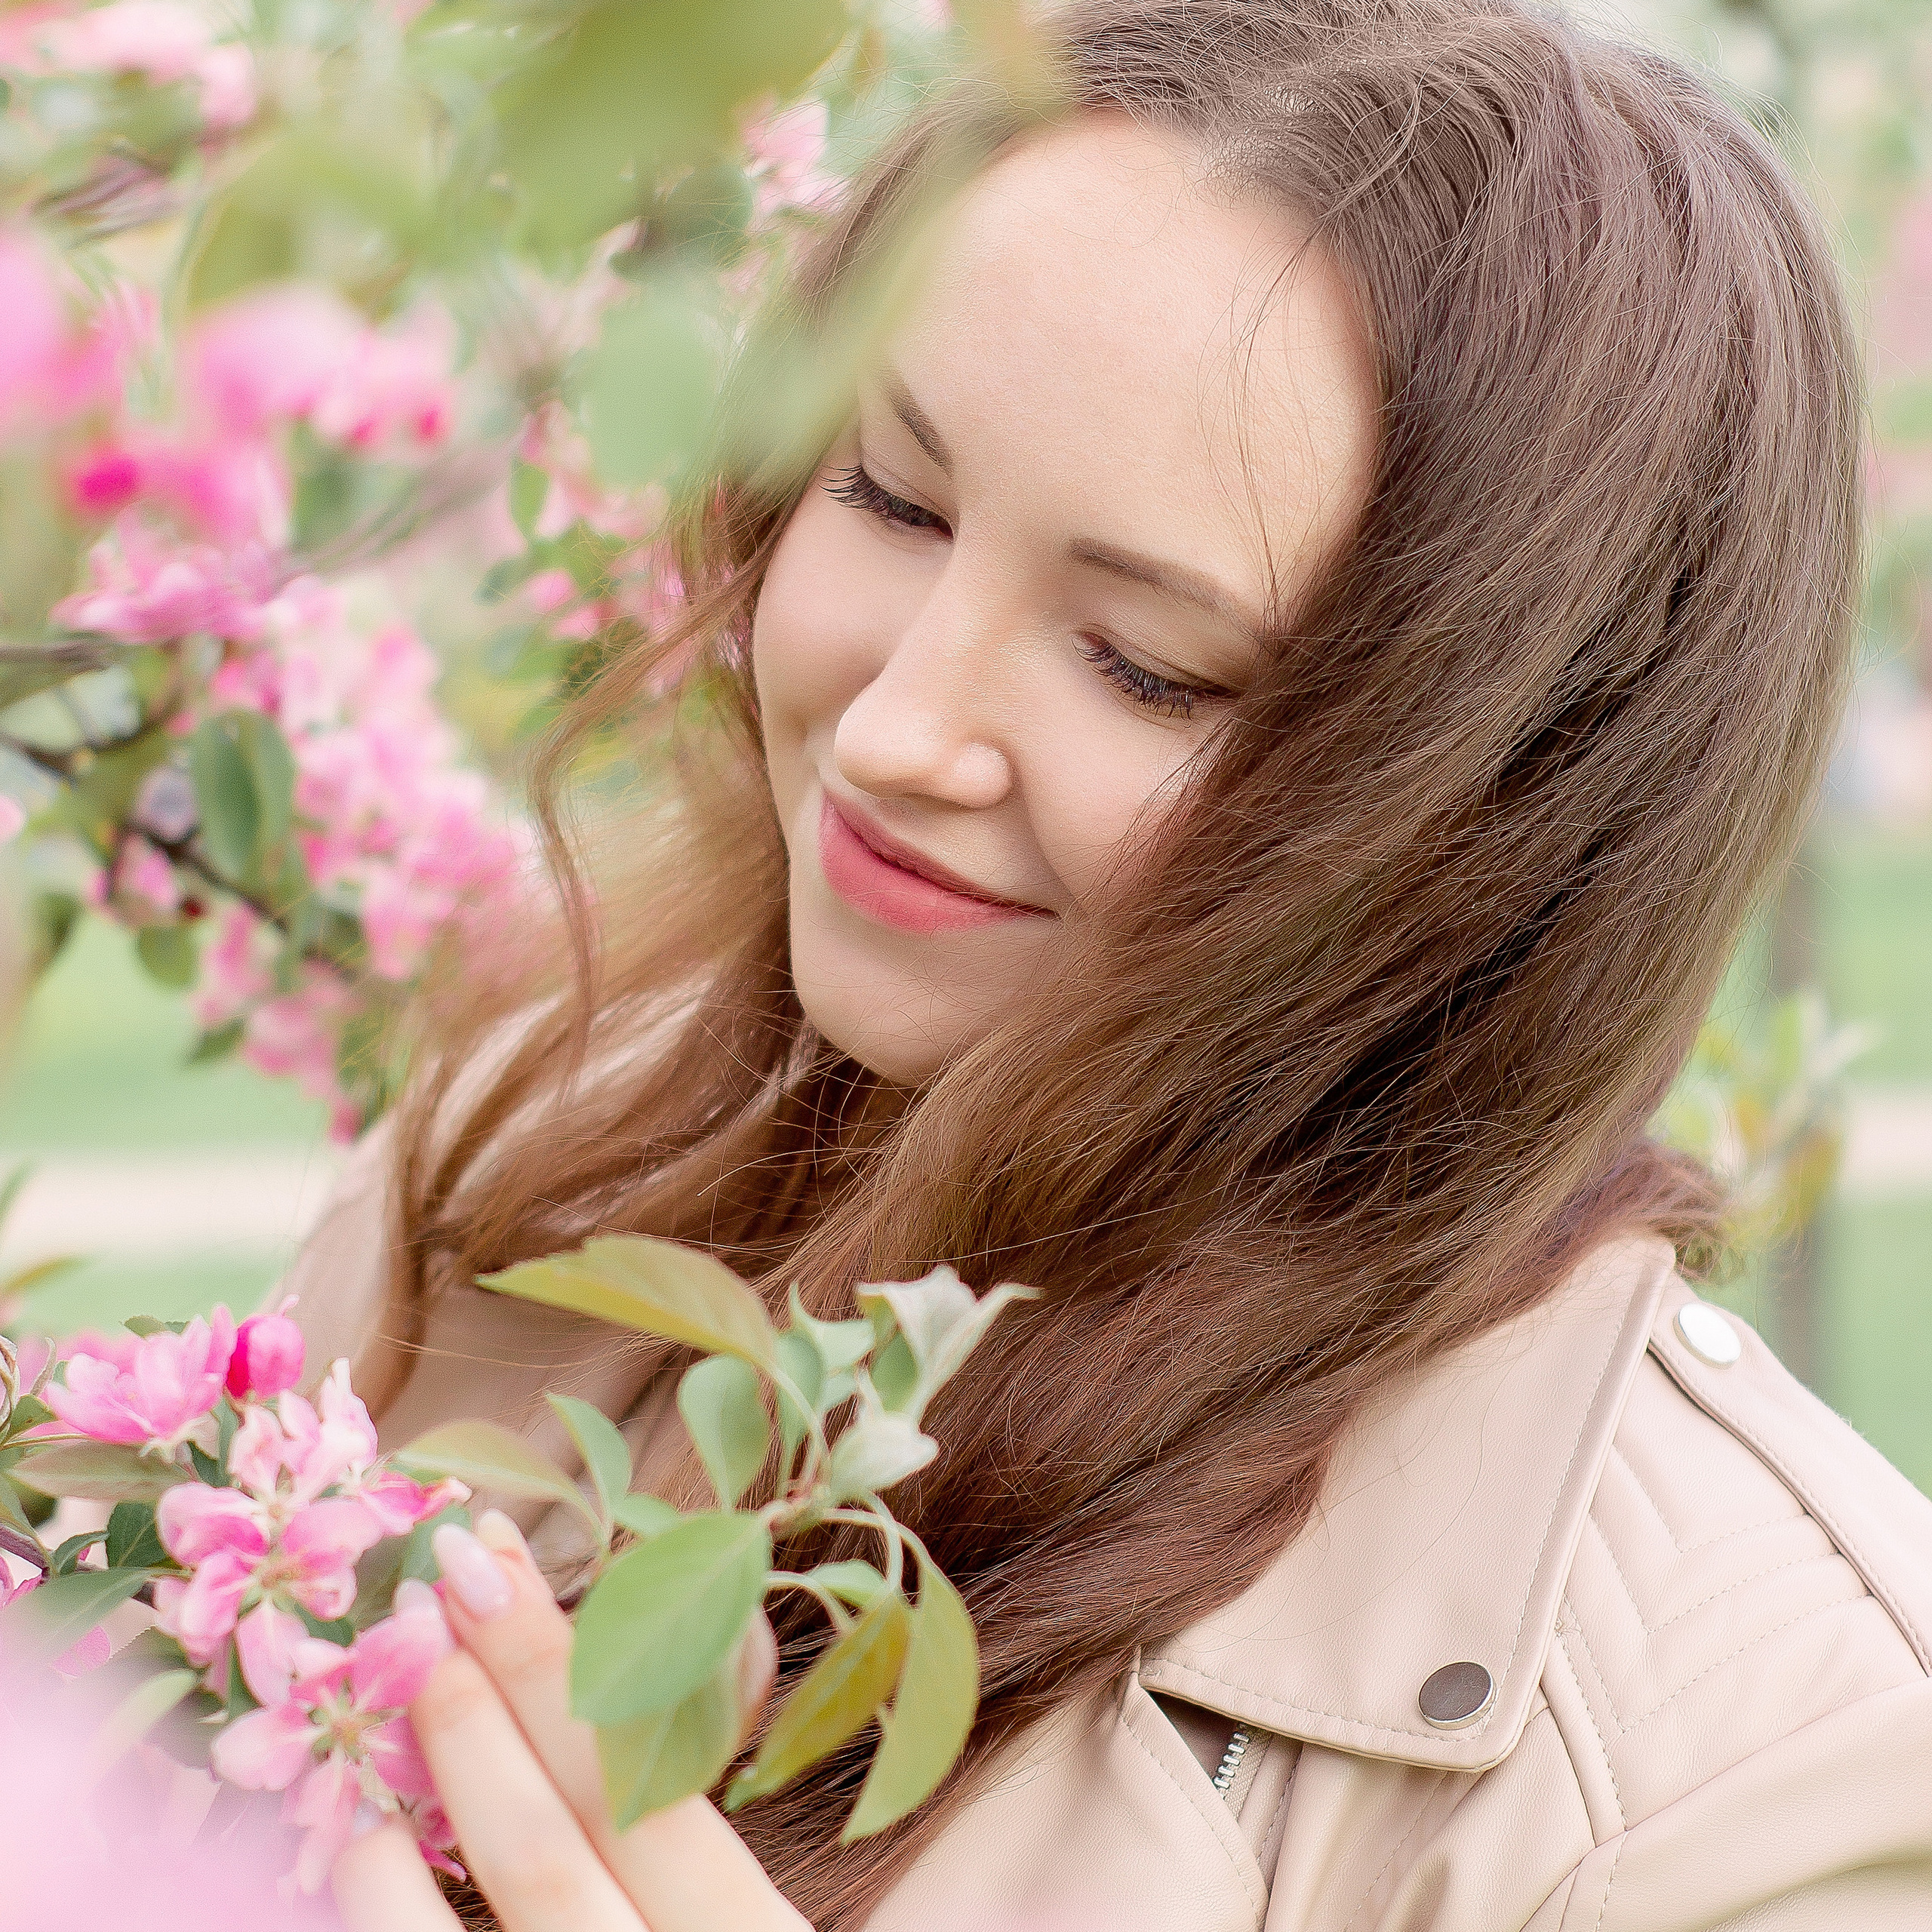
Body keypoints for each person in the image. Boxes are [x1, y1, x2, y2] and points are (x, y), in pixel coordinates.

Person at [303, 2, 1932, 1927]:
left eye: (1149, 665)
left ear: (1506, 816)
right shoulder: (537, 1158)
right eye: (888, 495)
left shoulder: (1739, 1780)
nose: (899, 729)